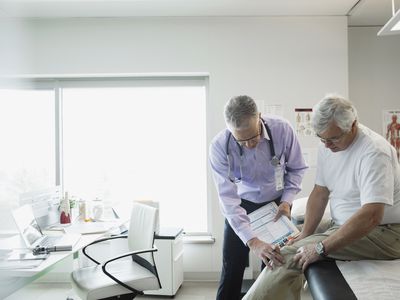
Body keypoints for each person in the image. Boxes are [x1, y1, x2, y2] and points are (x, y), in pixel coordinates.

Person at [243, 94, 400, 300]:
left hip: (385, 232)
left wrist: (320, 248)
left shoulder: (374, 153)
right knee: (287, 241)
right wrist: (306, 233)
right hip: (344, 223)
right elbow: (320, 192)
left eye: (333, 138)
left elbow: (371, 216)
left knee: (288, 255)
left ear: (353, 125)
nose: (327, 145)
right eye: (321, 138)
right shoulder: (328, 144)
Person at [209, 95, 307, 300]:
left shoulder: (282, 129)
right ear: (230, 130)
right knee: (232, 267)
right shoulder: (219, 146)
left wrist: (287, 201)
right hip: (241, 204)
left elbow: (296, 168)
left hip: (277, 203)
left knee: (272, 265)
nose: (249, 145)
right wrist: (253, 242)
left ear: (259, 118)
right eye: (241, 141)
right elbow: (227, 198)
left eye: (254, 137)